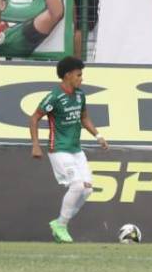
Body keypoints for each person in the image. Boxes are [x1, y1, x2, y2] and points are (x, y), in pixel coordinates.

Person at [28, 56, 108, 244]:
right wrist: (36, 145)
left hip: (76, 149)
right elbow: (34, 118)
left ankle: (60, 223)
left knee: (87, 190)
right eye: (79, 75)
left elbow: (84, 118)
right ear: (67, 75)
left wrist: (98, 136)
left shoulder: (80, 95)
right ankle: (61, 225)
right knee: (77, 185)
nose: (82, 78)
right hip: (59, 149)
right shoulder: (54, 96)